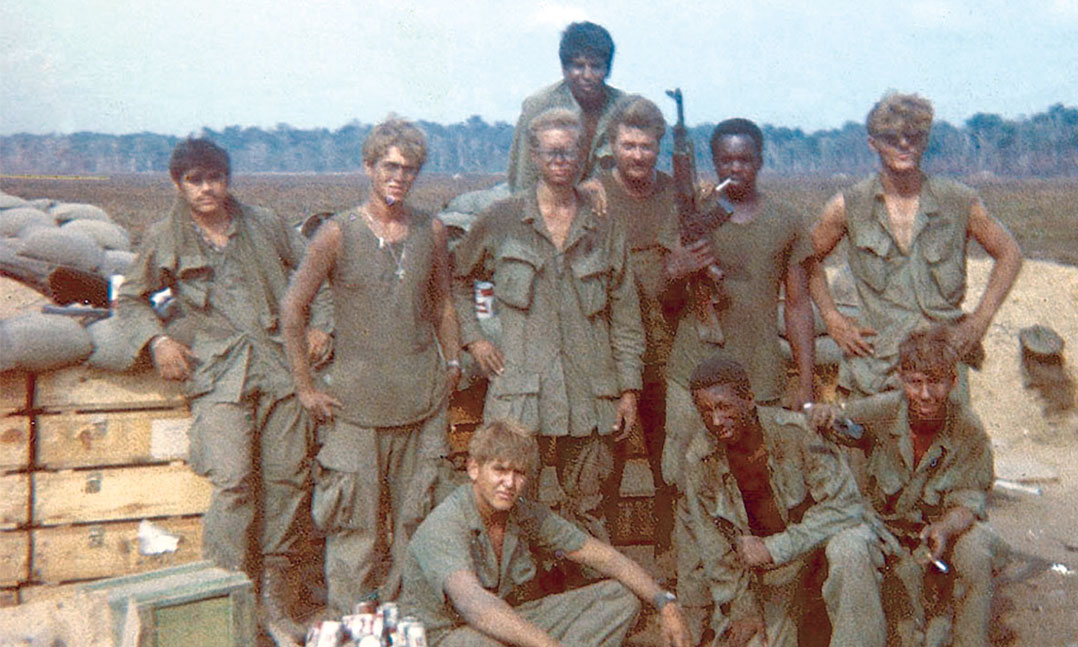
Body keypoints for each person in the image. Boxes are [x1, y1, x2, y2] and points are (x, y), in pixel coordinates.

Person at [114, 138, 331, 642]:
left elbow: (318, 271)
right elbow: (129, 299)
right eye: (195, 180)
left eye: (215, 177)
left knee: (288, 481)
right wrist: (158, 338)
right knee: (233, 481)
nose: (207, 188)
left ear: (228, 179)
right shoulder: (166, 235)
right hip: (219, 372)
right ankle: (225, 597)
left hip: (280, 367)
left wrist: (322, 325)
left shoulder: (265, 223)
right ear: (178, 183)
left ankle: (277, 601)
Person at [280, 118, 460, 614]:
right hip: (356, 407)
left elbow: (444, 303)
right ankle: (348, 625)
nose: (399, 177)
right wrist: (304, 386)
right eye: (390, 166)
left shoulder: (432, 229)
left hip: (420, 402)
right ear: (369, 167)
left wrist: (451, 362)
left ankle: (410, 622)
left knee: (417, 524)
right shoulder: (338, 233)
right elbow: (293, 307)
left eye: (410, 169)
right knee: (354, 530)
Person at [453, 107, 644, 546]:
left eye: (571, 152)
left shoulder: (603, 225)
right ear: (535, 156)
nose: (561, 161)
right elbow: (457, 280)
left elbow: (625, 313)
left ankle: (587, 597)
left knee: (590, 507)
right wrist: (474, 338)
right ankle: (521, 599)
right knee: (511, 506)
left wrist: (628, 389)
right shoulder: (501, 221)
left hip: (590, 395)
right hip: (520, 394)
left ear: (583, 158)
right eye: (551, 152)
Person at [399, 418, 691, 647]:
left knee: (619, 597)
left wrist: (665, 603)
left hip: (507, 623)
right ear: (474, 469)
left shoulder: (523, 511)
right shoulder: (446, 523)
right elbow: (475, 606)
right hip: (449, 636)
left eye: (519, 473)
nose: (509, 483)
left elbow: (604, 557)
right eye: (499, 470)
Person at [809, 92, 1022, 399]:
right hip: (875, 365)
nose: (904, 145)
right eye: (892, 138)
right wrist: (832, 318)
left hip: (941, 364)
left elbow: (1010, 253)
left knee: (950, 446)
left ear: (925, 140)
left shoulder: (958, 201)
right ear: (874, 144)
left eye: (913, 136)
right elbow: (805, 258)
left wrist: (980, 321)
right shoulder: (849, 206)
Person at [808, 325, 1001, 647]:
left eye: (936, 382)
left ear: (953, 381)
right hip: (880, 529)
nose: (926, 395)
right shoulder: (878, 411)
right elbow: (840, 425)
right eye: (916, 383)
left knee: (977, 548)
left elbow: (969, 503)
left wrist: (943, 528)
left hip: (936, 534)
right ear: (900, 378)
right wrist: (824, 414)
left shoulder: (968, 429)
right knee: (847, 547)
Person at [681, 355, 884, 647]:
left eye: (724, 407)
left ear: (749, 400)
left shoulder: (796, 433)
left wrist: (774, 548)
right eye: (705, 411)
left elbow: (844, 509)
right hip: (777, 573)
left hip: (821, 550)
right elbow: (715, 548)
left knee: (851, 548)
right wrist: (743, 608)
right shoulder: (700, 459)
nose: (716, 420)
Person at [662, 117, 817, 491]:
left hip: (758, 376)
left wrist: (807, 384)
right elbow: (664, 294)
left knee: (762, 480)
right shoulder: (692, 215)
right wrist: (679, 268)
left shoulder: (787, 221)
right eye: (726, 160)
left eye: (745, 160)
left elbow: (797, 306)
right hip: (692, 372)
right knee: (683, 476)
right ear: (715, 162)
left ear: (760, 160)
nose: (735, 168)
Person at [593, 94, 681, 566]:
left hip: (669, 343)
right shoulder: (596, 195)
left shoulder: (676, 193)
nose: (638, 155)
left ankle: (669, 564)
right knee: (607, 464)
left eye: (646, 146)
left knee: (671, 462)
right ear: (612, 146)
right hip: (613, 345)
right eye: (628, 145)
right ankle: (608, 570)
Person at [507, 21, 625, 193]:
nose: (587, 75)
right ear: (564, 68)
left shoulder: (624, 108)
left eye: (596, 66)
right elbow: (523, 178)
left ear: (607, 69)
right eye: (578, 66)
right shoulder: (539, 105)